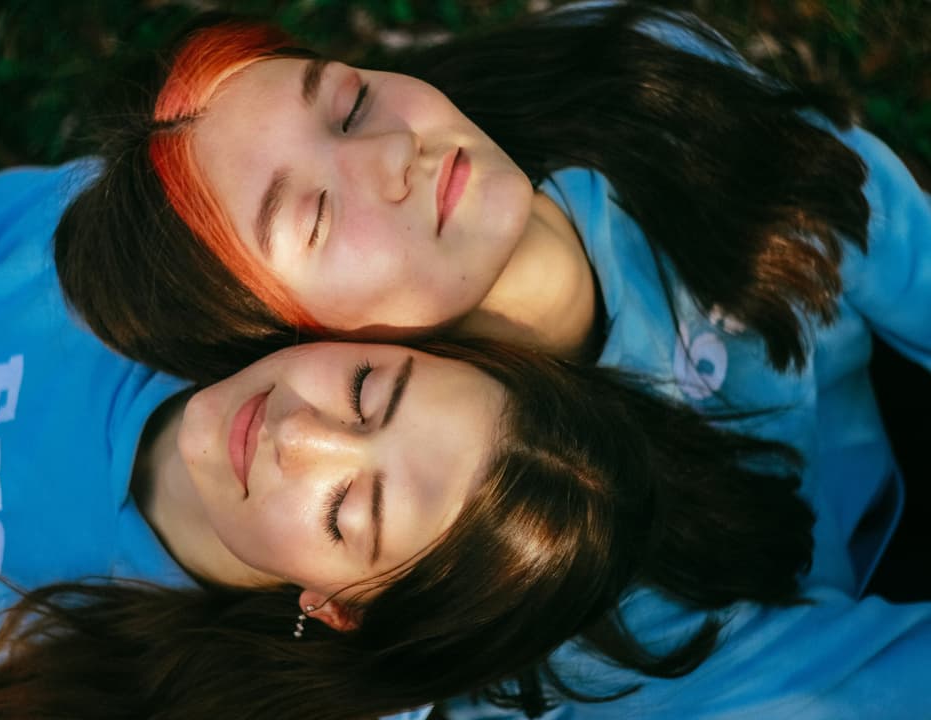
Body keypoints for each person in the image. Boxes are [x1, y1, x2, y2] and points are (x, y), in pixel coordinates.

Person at [50, 2, 931, 717]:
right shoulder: (542, 570)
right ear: (294, 340)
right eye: (314, 217)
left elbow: (901, 250)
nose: (391, 151)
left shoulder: (635, 79)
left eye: (351, 105)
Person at [0, 163, 856, 719]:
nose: (300, 436)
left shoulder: (112, 691)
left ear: (335, 609)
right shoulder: (157, 256)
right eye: (369, 390)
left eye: (348, 512)